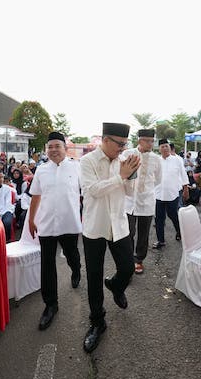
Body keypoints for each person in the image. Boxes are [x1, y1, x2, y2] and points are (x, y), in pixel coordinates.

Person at [79, 122, 140, 353]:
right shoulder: (87, 161)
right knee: (94, 276)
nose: (123, 148)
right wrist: (121, 177)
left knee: (127, 268)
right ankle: (97, 322)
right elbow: (92, 190)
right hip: (95, 225)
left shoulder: (123, 162)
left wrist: (131, 175)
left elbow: (130, 192)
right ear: (105, 140)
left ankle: (116, 285)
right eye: (119, 144)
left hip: (119, 224)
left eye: (125, 144)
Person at [29, 132, 82, 330]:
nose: (53, 150)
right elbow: (35, 196)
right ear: (46, 150)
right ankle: (51, 305)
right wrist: (31, 220)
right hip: (47, 224)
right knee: (47, 264)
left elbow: (87, 193)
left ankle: (76, 270)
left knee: (72, 255)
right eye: (49, 147)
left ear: (65, 148)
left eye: (57, 146)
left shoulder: (76, 168)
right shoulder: (41, 170)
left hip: (69, 223)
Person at [122, 129, 162, 274]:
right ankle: (128, 260)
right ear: (140, 141)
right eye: (147, 140)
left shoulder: (156, 159)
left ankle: (138, 260)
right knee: (129, 232)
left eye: (152, 141)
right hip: (129, 200)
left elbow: (158, 179)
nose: (150, 143)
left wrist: (145, 189)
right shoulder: (128, 154)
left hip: (147, 201)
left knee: (143, 234)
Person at [153, 139, 189, 249]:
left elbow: (183, 174)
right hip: (158, 194)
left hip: (172, 193)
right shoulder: (156, 160)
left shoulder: (177, 160)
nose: (165, 148)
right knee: (159, 218)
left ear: (170, 147)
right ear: (159, 148)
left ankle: (179, 231)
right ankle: (161, 240)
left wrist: (186, 188)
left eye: (166, 146)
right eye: (162, 146)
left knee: (173, 215)